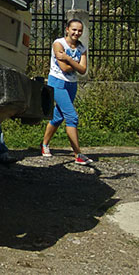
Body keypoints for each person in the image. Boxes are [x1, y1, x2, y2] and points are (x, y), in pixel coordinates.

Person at [40, 18, 93, 166]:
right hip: (57, 82)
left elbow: (83, 70)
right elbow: (64, 68)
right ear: (67, 29)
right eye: (74, 29)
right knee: (72, 117)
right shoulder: (58, 43)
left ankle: (44, 144)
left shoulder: (82, 47)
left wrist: (68, 58)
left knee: (58, 116)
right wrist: (75, 64)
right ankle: (78, 154)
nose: (77, 33)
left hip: (71, 84)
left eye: (80, 30)